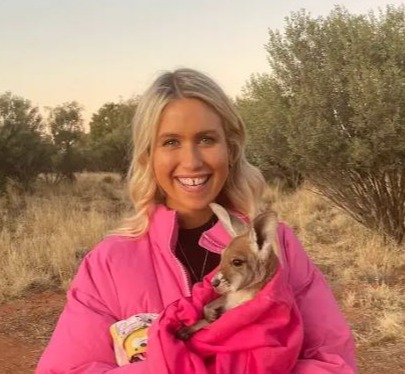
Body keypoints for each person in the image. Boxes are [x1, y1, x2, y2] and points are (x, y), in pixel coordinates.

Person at [35, 68, 357, 373]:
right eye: (171, 142)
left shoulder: (278, 245)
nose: (191, 161)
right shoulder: (108, 264)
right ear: (149, 155)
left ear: (229, 149)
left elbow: (333, 360)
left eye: (206, 139)